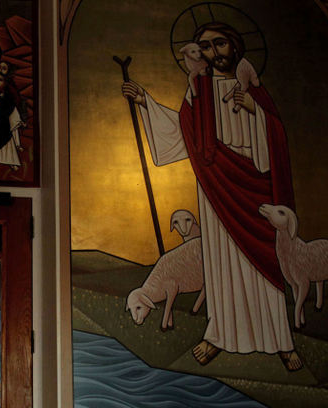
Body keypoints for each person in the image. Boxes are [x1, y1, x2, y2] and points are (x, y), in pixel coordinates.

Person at [121, 21, 303, 371]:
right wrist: (147, 103)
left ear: (234, 47)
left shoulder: (252, 88)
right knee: (221, 263)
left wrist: (254, 110)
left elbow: (277, 137)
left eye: (219, 44)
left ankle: (281, 339)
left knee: (264, 259)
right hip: (215, 184)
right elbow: (184, 133)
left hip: (253, 183)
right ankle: (220, 335)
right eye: (205, 47)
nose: (213, 52)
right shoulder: (197, 90)